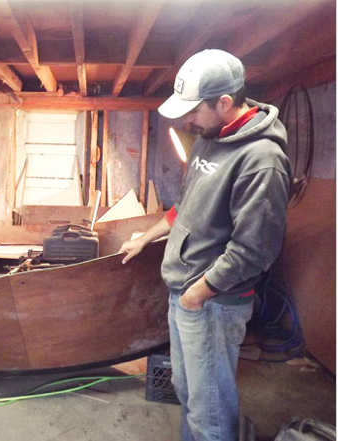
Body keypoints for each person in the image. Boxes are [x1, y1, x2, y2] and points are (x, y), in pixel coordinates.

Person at [119, 49, 291, 441]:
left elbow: (255, 250)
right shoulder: (209, 139)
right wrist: (146, 237)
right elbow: (188, 207)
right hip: (186, 294)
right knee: (191, 395)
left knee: (209, 409)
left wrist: (197, 295)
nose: (187, 119)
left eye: (194, 110)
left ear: (225, 103)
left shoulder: (261, 161)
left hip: (213, 303)